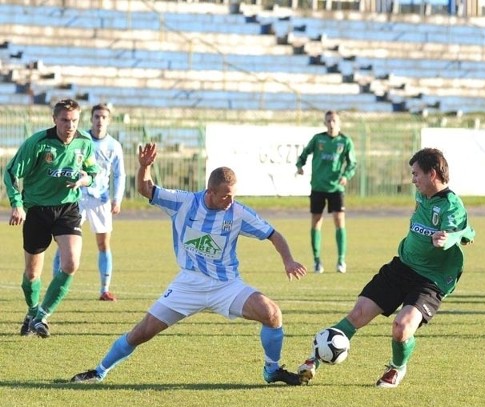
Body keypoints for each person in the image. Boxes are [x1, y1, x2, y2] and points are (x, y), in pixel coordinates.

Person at [70, 143, 307, 385]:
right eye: (225, 195)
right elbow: (146, 188)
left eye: (233, 194)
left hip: (226, 286)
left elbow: (273, 234)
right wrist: (144, 167)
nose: (230, 200)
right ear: (210, 191)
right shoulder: (183, 202)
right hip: (188, 284)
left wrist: (288, 260)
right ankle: (99, 371)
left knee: (272, 313)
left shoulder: (238, 212)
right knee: (142, 332)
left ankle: (272, 369)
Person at [298, 148, 475, 388]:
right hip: (401, 267)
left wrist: (447, 239)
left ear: (432, 174)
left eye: (416, 174)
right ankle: (314, 359)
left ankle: (397, 367)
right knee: (358, 314)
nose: (412, 180)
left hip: (431, 280)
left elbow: (462, 232)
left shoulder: (451, 205)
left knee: (401, 328)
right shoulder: (423, 195)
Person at [3, 98, 99, 338]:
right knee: (32, 273)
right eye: (65, 120)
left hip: (67, 208)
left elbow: (92, 174)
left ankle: (42, 316)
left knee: (70, 263)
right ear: (54, 119)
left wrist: (82, 180)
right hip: (37, 209)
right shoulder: (38, 143)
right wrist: (17, 205)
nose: (70, 125)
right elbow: (12, 173)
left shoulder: (84, 143)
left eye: (74, 121)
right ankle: (32, 311)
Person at [53, 103, 126, 301]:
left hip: (101, 200)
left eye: (103, 117)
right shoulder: (81, 138)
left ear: (108, 120)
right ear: (91, 119)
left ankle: (104, 289)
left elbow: (120, 174)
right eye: (96, 117)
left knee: (103, 244)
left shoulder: (114, 146)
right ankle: (56, 285)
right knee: (64, 243)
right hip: (77, 197)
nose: (99, 120)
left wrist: (116, 199)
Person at [295, 110, 357, 274]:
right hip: (318, 187)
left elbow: (352, 163)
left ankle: (341, 260)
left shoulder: (345, 141)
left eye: (334, 121)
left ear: (339, 123)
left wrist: (346, 175)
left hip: (336, 188)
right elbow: (305, 153)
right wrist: (299, 165)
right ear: (325, 123)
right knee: (316, 221)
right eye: (328, 121)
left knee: (339, 220)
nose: (331, 124)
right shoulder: (318, 139)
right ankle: (316, 261)